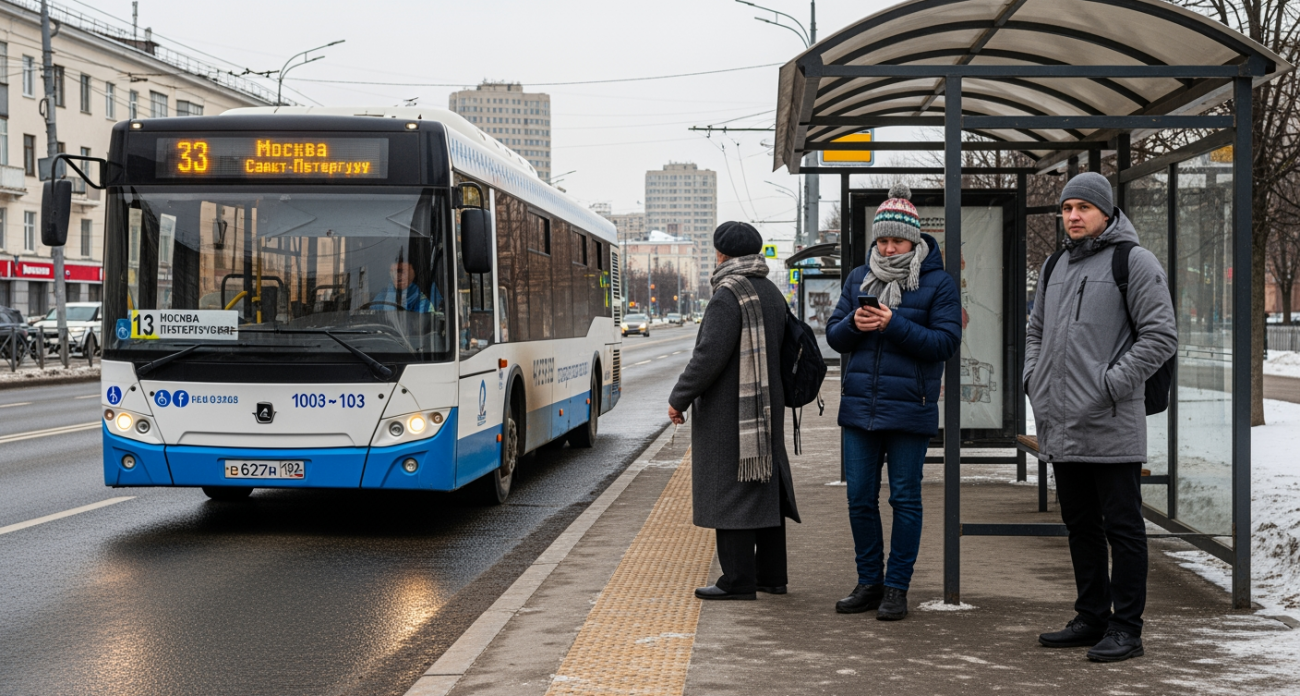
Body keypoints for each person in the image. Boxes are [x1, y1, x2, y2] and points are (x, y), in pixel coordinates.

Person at [1025, 172, 1177, 662]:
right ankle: (1091, 617)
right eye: (1066, 208)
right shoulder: (1054, 266)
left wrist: (1109, 383)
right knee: (1081, 526)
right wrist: (1035, 377)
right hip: (1061, 421)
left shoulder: (1133, 261)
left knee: (1123, 528)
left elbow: (1160, 336)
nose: (1072, 216)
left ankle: (1126, 628)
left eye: (1083, 208)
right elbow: (1034, 332)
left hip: (1111, 421)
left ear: (1106, 213)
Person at [825, 183, 962, 621]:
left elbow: (944, 343)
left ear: (915, 240)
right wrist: (856, 323)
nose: (887, 248)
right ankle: (869, 582)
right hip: (860, 409)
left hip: (910, 408)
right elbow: (833, 336)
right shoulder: (857, 278)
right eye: (882, 240)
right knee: (859, 499)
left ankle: (897, 587)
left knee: (904, 499)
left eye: (896, 240)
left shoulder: (938, 283)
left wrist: (892, 323)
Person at [669, 221, 800, 601]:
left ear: (722, 254)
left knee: (732, 492)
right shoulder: (771, 290)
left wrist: (679, 398)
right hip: (766, 407)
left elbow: (708, 357)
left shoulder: (729, 294)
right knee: (764, 490)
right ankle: (772, 576)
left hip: (732, 415)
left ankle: (738, 580)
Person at [371, 260, 441, 312]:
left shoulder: (424, 301)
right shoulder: (381, 299)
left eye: (402, 271)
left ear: (413, 272)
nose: (398, 276)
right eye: (394, 272)